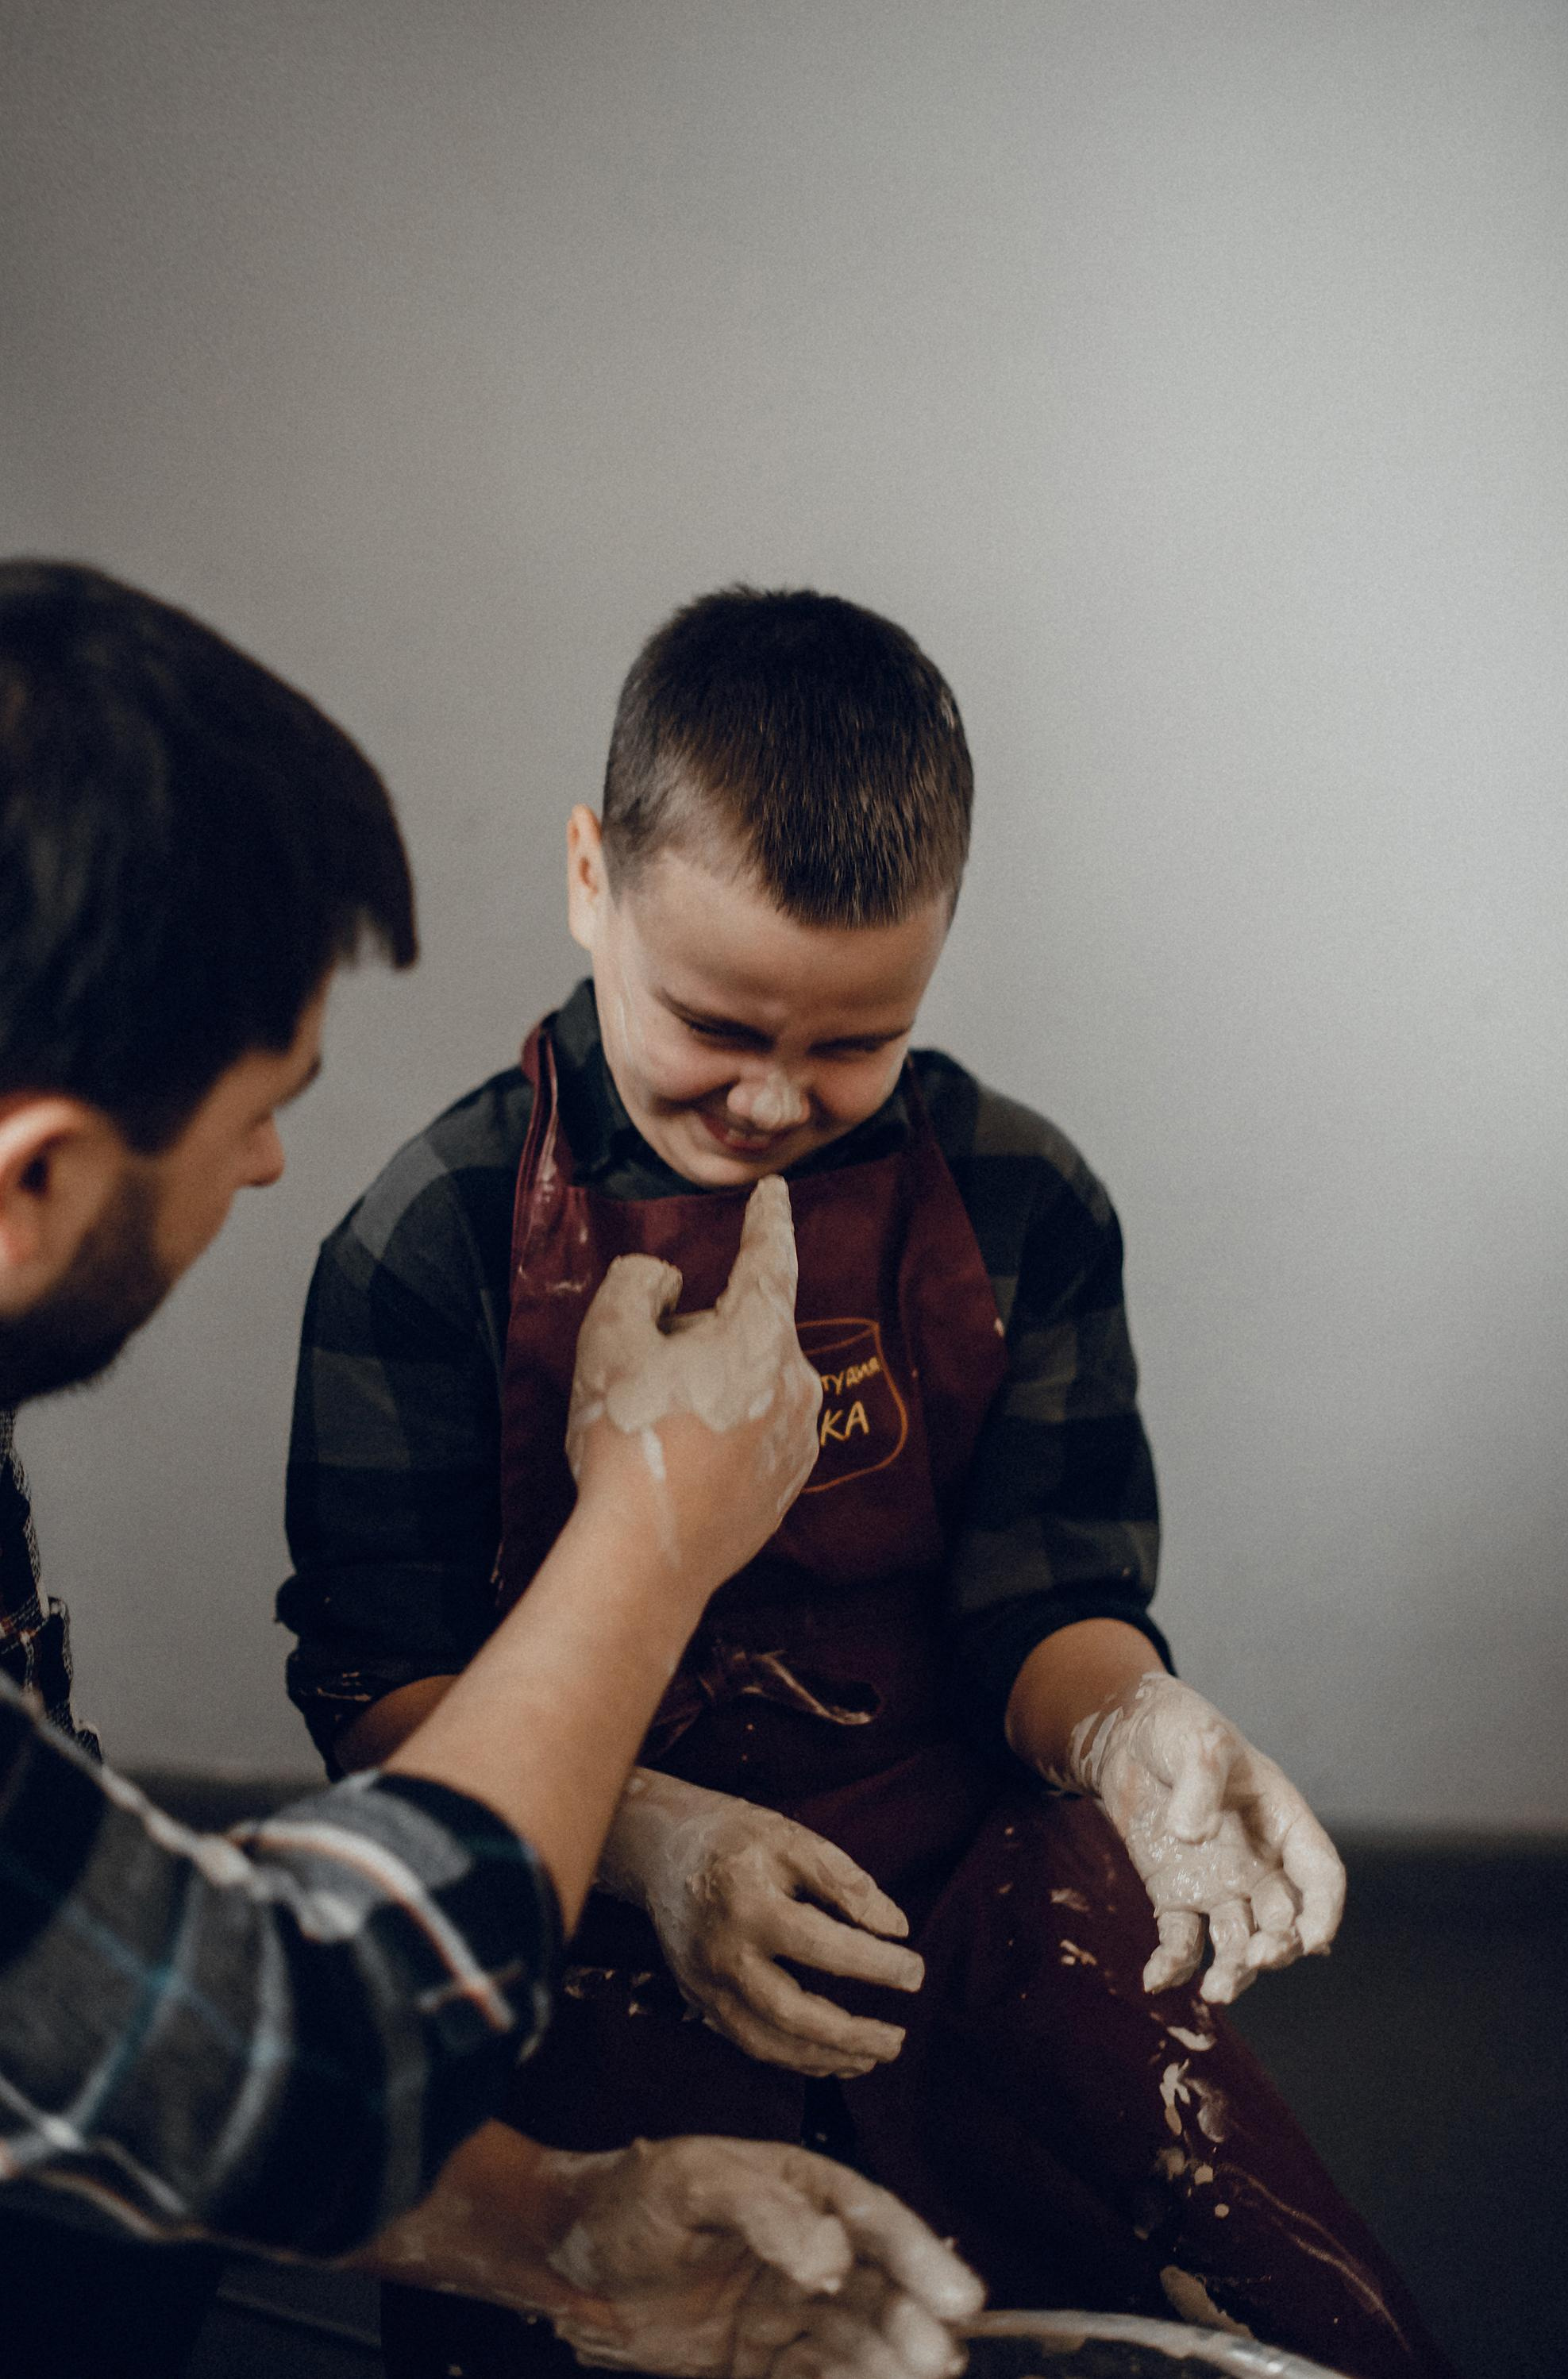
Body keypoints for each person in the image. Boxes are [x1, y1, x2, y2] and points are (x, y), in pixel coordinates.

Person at [280, 586, 1457, 2379]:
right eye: (713, 1024)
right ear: (589, 876)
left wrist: (1128, 1722)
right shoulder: (424, 1240)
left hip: (958, 1880)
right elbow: (380, 1691)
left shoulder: (1016, 1199)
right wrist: (657, 1840)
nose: (770, 1099)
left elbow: (1040, 1599)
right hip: (576, 1893)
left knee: (1309, 2327)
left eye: (850, 1040)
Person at [0, 561, 983, 2379]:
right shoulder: (427, 1233)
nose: (279, 1165)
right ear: (31, 1182)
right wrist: (652, 1534)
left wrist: (548, 2220)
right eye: (255, 1111)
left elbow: (81, 2045)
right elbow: (295, 2053)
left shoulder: (1008, 1194)